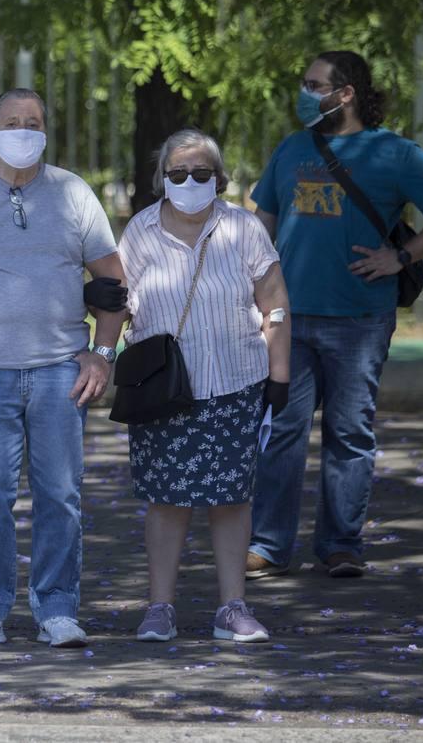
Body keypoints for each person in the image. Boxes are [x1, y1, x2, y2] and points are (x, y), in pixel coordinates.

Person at [247, 51, 423, 580]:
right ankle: (268, 546)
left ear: (344, 93)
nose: (303, 93)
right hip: (290, 319)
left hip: (360, 320)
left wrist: (402, 255)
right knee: (281, 432)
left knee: (350, 433)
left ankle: (341, 545)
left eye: (313, 84)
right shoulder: (292, 148)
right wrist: (252, 298)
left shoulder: (394, 154)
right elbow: (260, 226)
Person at [0, 87, 128, 649]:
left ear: (45, 130)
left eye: (32, 120)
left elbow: (113, 285)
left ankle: (57, 610)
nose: (22, 129)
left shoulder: (73, 195)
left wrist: (102, 355)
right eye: (12, 121)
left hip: (61, 370)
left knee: (60, 494)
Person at [118, 129, 291, 643]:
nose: (189, 182)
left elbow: (275, 303)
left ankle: (233, 607)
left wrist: (279, 375)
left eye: (201, 173)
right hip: (164, 389)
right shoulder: (140, 232)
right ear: (161, 180)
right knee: (166, 500)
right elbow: (118, 302)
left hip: (237, 382)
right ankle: (159, 608)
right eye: (177, 174)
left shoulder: (243, 228)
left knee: (232, 498)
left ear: (218, 178)